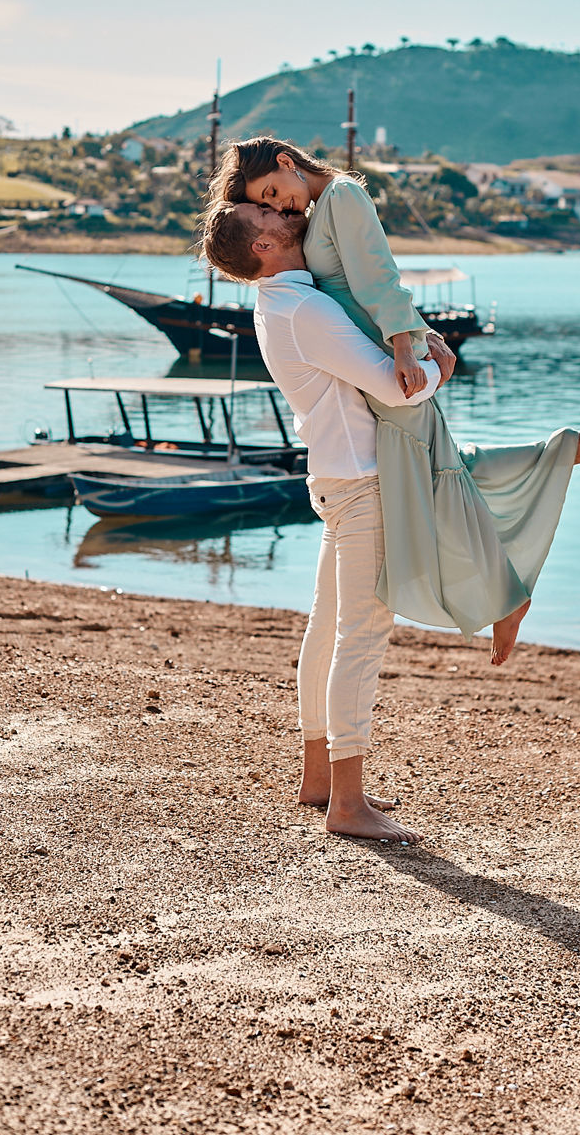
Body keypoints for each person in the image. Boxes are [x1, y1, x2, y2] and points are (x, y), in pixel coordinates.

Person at [204, 139, 580, 663]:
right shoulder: (317, 218)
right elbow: (362, 288)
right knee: (441, 469)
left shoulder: (341, 195)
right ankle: (543, 490)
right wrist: (416, 338)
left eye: (273, 193)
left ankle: (509, 586)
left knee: (439, 472)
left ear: (288, 162)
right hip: (379, 363)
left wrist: (410, 345)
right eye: (266, 206)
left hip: (391, 365)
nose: (280, 207)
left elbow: (380, 275)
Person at [206, 203, 439, 843]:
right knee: (360, 635)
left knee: (329, 627)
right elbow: (400, 390)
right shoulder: (307, 309)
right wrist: (438, 361)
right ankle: (348, 802)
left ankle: (319, 778)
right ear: (262, 245)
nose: (285, 211)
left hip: (337, 477)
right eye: (268, 210)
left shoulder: (277, 305)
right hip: (363, 481)